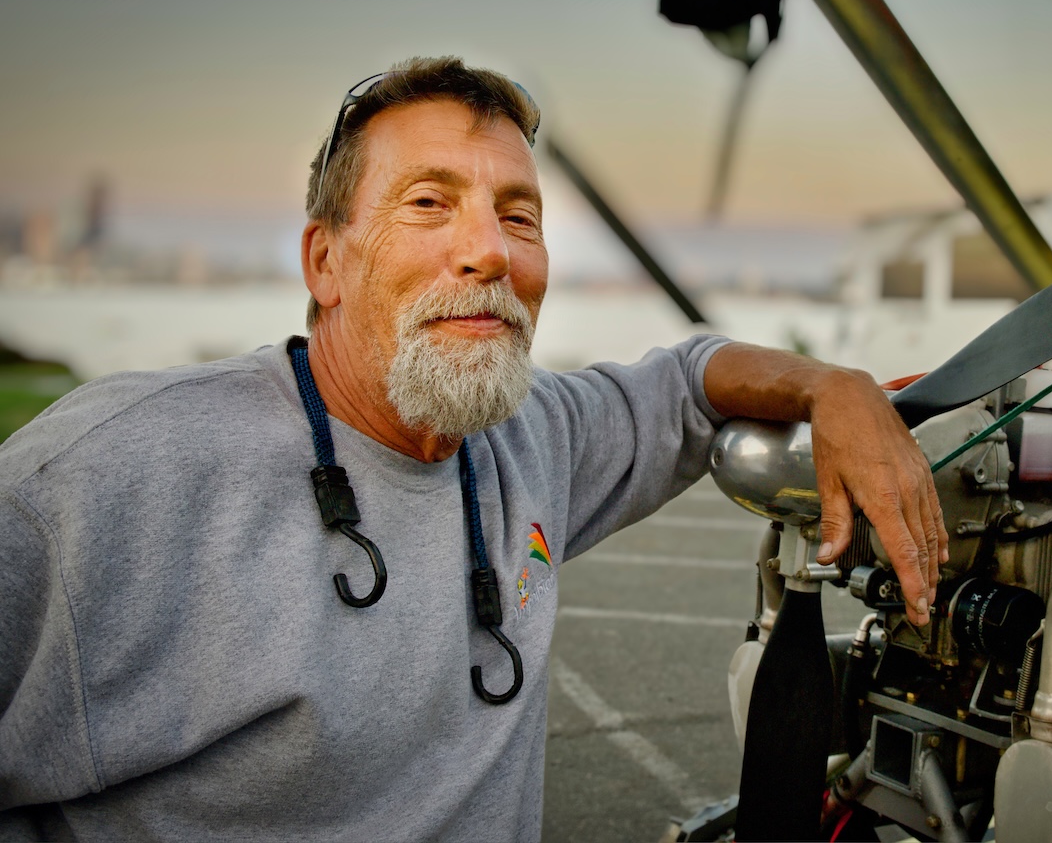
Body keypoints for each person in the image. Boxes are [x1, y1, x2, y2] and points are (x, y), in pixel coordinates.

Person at [0, 58, 943, 841]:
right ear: (326, 261)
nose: (488, 250)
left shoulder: (528, 439)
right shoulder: (102, 480)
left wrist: (834, 388)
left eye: (519, 215)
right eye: (428, 202)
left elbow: (688, 380)